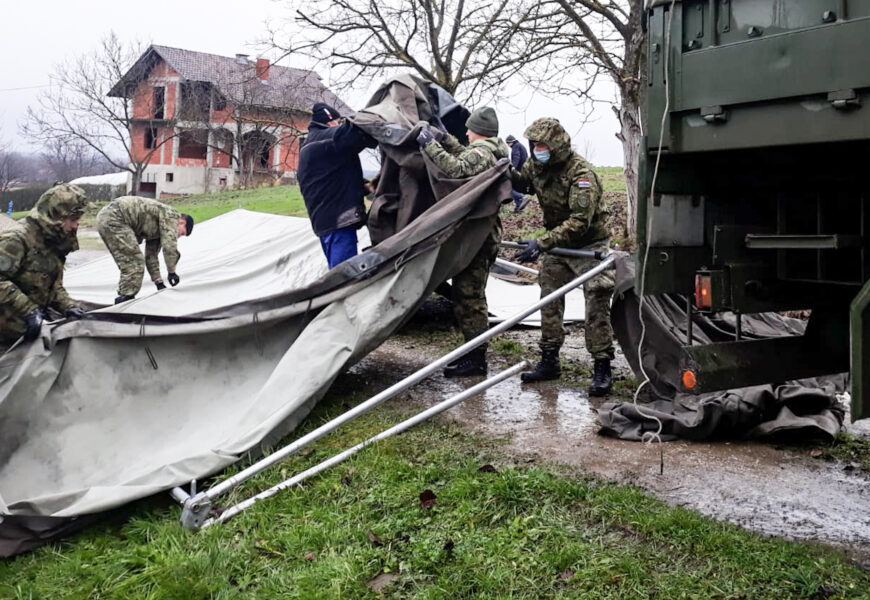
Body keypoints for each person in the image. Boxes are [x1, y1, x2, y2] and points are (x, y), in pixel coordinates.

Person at [512, 117, 614, 396]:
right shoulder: (537, 165)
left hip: (587, 245)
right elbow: (523, 182)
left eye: (541, 145)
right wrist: (509, 169)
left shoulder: (581, 175)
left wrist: (541, 242)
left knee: (596, 297)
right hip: (557, 247)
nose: (536, 150)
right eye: (533, 145)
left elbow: (580, 221)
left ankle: (602, 366)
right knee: (549, 295)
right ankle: (549, 360)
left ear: (556, 145)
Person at [417, 106, 510, 377]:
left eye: (470, 129)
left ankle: (476, 358)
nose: (466, 133)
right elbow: (465, 157)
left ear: (479, 131)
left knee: (469, 295)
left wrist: (430, 146)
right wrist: (446, 140)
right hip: (484, 233)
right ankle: (472, 352)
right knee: (468, 293)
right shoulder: (491, 150)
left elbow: (457, 169)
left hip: (479, 237)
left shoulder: (483, 152)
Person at [0, 183, 88, 348]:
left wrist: (68, 306)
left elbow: (53, 287)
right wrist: (28, 310)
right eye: (73, 219)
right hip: (4, 336)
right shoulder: (16, 240)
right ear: (56, 216)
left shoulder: (54, 242)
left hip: (27, 335)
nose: (76, 225)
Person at [298, 102, 376, 269]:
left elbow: (333, 178)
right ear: (330, 121)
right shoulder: (328, 137)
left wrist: (367, 187)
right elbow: (352, 133)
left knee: (337, 272)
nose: (339, 124)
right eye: (338, 121)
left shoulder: (308, 146)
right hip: (338, 221)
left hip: (324, 223)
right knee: (345, 277)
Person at [96, 196, 193, 304]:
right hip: (116, 217)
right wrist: (172, 272)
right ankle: (124, 300)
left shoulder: (159, 227)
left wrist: (159, 283)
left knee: (130, 262)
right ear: (182, 223)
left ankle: (124, 298)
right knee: (134, 262)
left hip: (109, 218)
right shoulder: (172, 216)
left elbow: (151, 256)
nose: (179, 236)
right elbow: (169, 247)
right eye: (182, 233)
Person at [506, 134, 532, 212]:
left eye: (507, 143)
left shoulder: (515, 146)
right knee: (517, 187)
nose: (507, 145)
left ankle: (522, 197)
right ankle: (518, 207)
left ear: (510, 142)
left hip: (518, 170)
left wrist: (513, 167)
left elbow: (516, 157)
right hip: (523, 170)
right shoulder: (520, 145)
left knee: (509, 187)